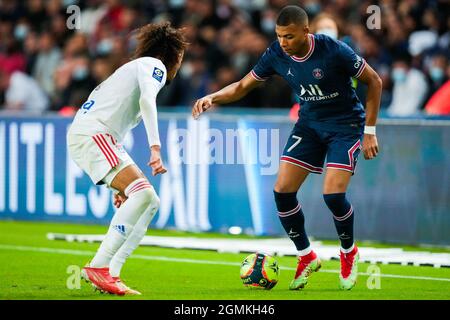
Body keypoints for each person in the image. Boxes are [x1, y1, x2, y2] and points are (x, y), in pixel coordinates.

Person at [192, 5, 382, 291]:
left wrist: (369, 132)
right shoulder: (276, 54)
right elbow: (244, 85)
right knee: (282, 192)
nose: (283, 42)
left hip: (345, 126)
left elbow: (374, 81)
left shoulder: (334, 50)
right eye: (280, 36)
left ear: (307, 32)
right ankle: (306, 255)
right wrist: (214, 97)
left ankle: (348, 251)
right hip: (309, 125)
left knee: (332, 195)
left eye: (289, 36)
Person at [67, 22, 187, 295]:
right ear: (174, 55)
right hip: (95, 134)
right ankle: (99, 266)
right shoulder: (154, 66)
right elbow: (147, 101)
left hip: (96, 136)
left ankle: (111, 273)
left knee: (148, 201)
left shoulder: (132, 69)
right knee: (143, 194)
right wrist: (155, 147)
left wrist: (119, 182)